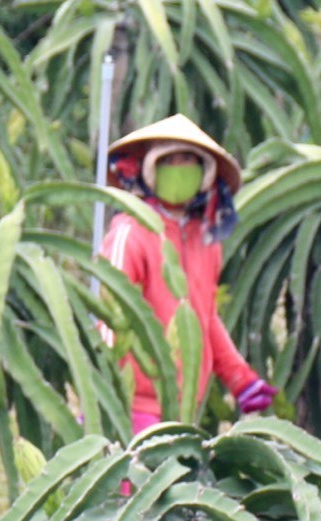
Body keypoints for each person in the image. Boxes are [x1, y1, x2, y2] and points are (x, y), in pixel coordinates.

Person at [98, 115, 275, 434]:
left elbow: (204, 317)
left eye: (189, 160)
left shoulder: (206, 240)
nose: (179, 168)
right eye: (169, 160)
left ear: (205, 173)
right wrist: (102, 390)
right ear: (150, 169)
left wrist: (241, 378)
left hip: (184, 403)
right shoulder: (131, 231)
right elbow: (111, 312)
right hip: (132, 403)